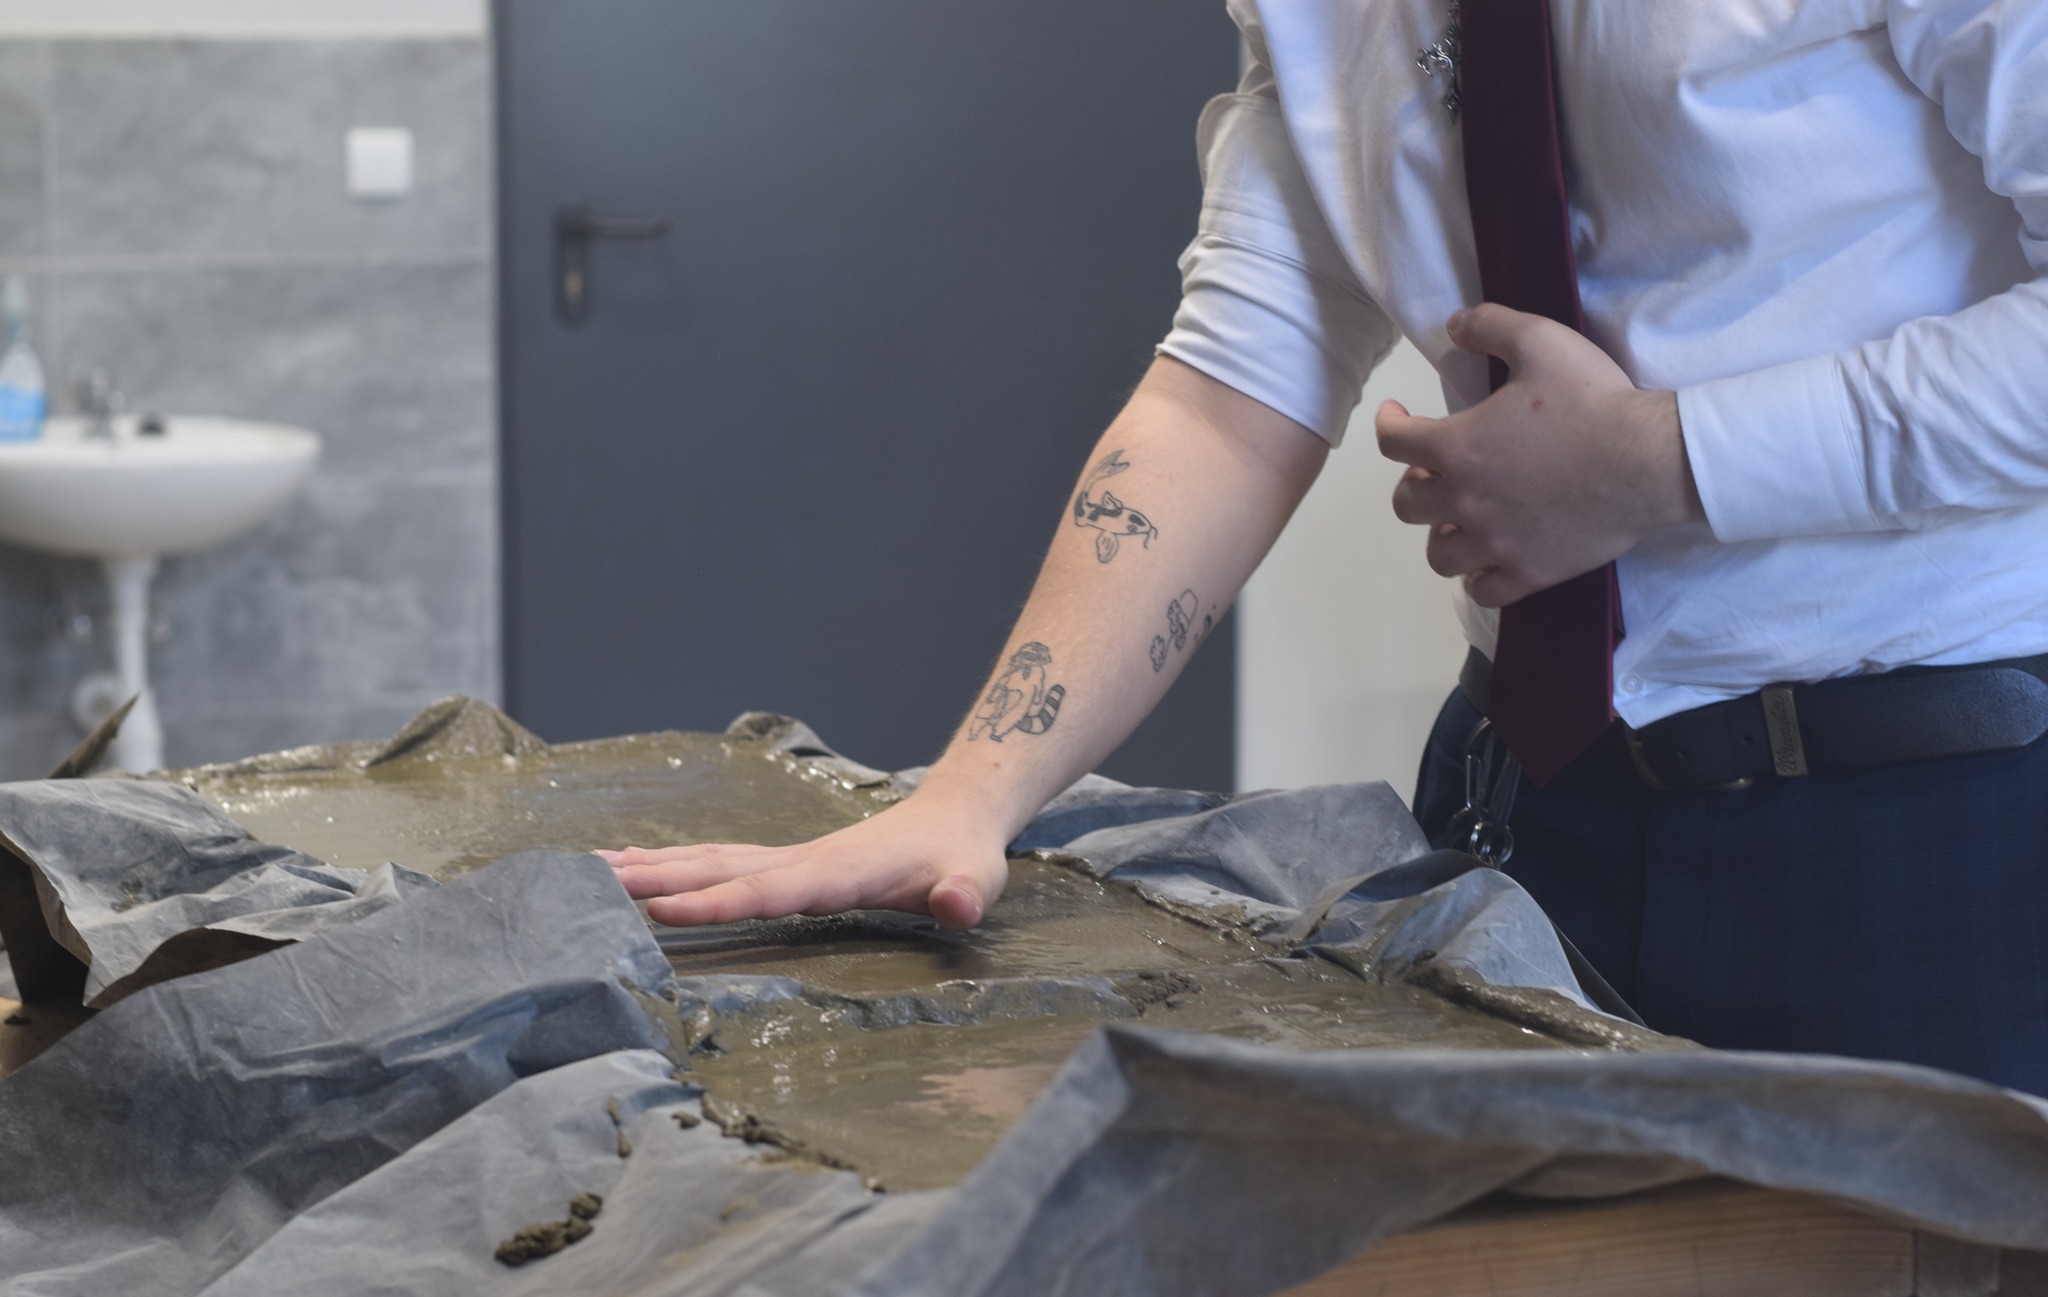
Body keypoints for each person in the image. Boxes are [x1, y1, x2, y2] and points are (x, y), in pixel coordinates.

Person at [604, 0, 2048, 1092]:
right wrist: (969, 796)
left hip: (1928, 829)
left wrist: (1656, 464)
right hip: (1524, 816)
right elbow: (1233, 389)